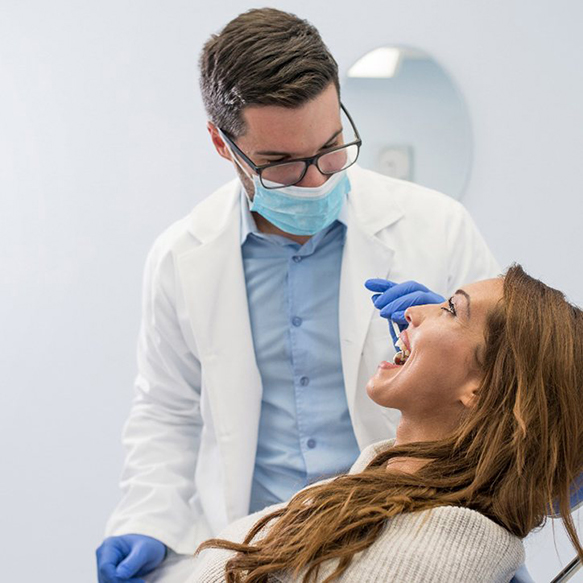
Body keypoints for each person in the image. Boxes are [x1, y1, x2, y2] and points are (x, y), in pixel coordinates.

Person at [96, 8, 501, 583]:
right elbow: (167, 409)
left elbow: (508, 393)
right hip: (258, 545)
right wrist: (147, 518)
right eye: (282, 165)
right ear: (222, 143)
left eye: (332, 146)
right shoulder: (180, 258)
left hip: (407, 535)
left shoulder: (439, 227)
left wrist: (466, 338)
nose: (318, 180)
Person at [190, 265, 583, 582]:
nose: (411, 312)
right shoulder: (369, 491)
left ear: (482, 388)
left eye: (449, 308)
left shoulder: (429, 553)